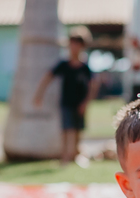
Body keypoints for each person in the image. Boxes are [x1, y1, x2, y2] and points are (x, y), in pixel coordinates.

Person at [32, 28, 98, 166]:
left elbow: (93, 85)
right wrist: (39, 95)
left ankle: (76, 155)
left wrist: (86, 103)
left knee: (78, 130)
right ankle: (65, 157)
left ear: (82, 46)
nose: (74, 47)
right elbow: (47, 78)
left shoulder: (84, 67)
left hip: (79, 103)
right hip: (66, 102)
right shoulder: (63, 64)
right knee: (66, 130)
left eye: (77, 44)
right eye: (71, 44)